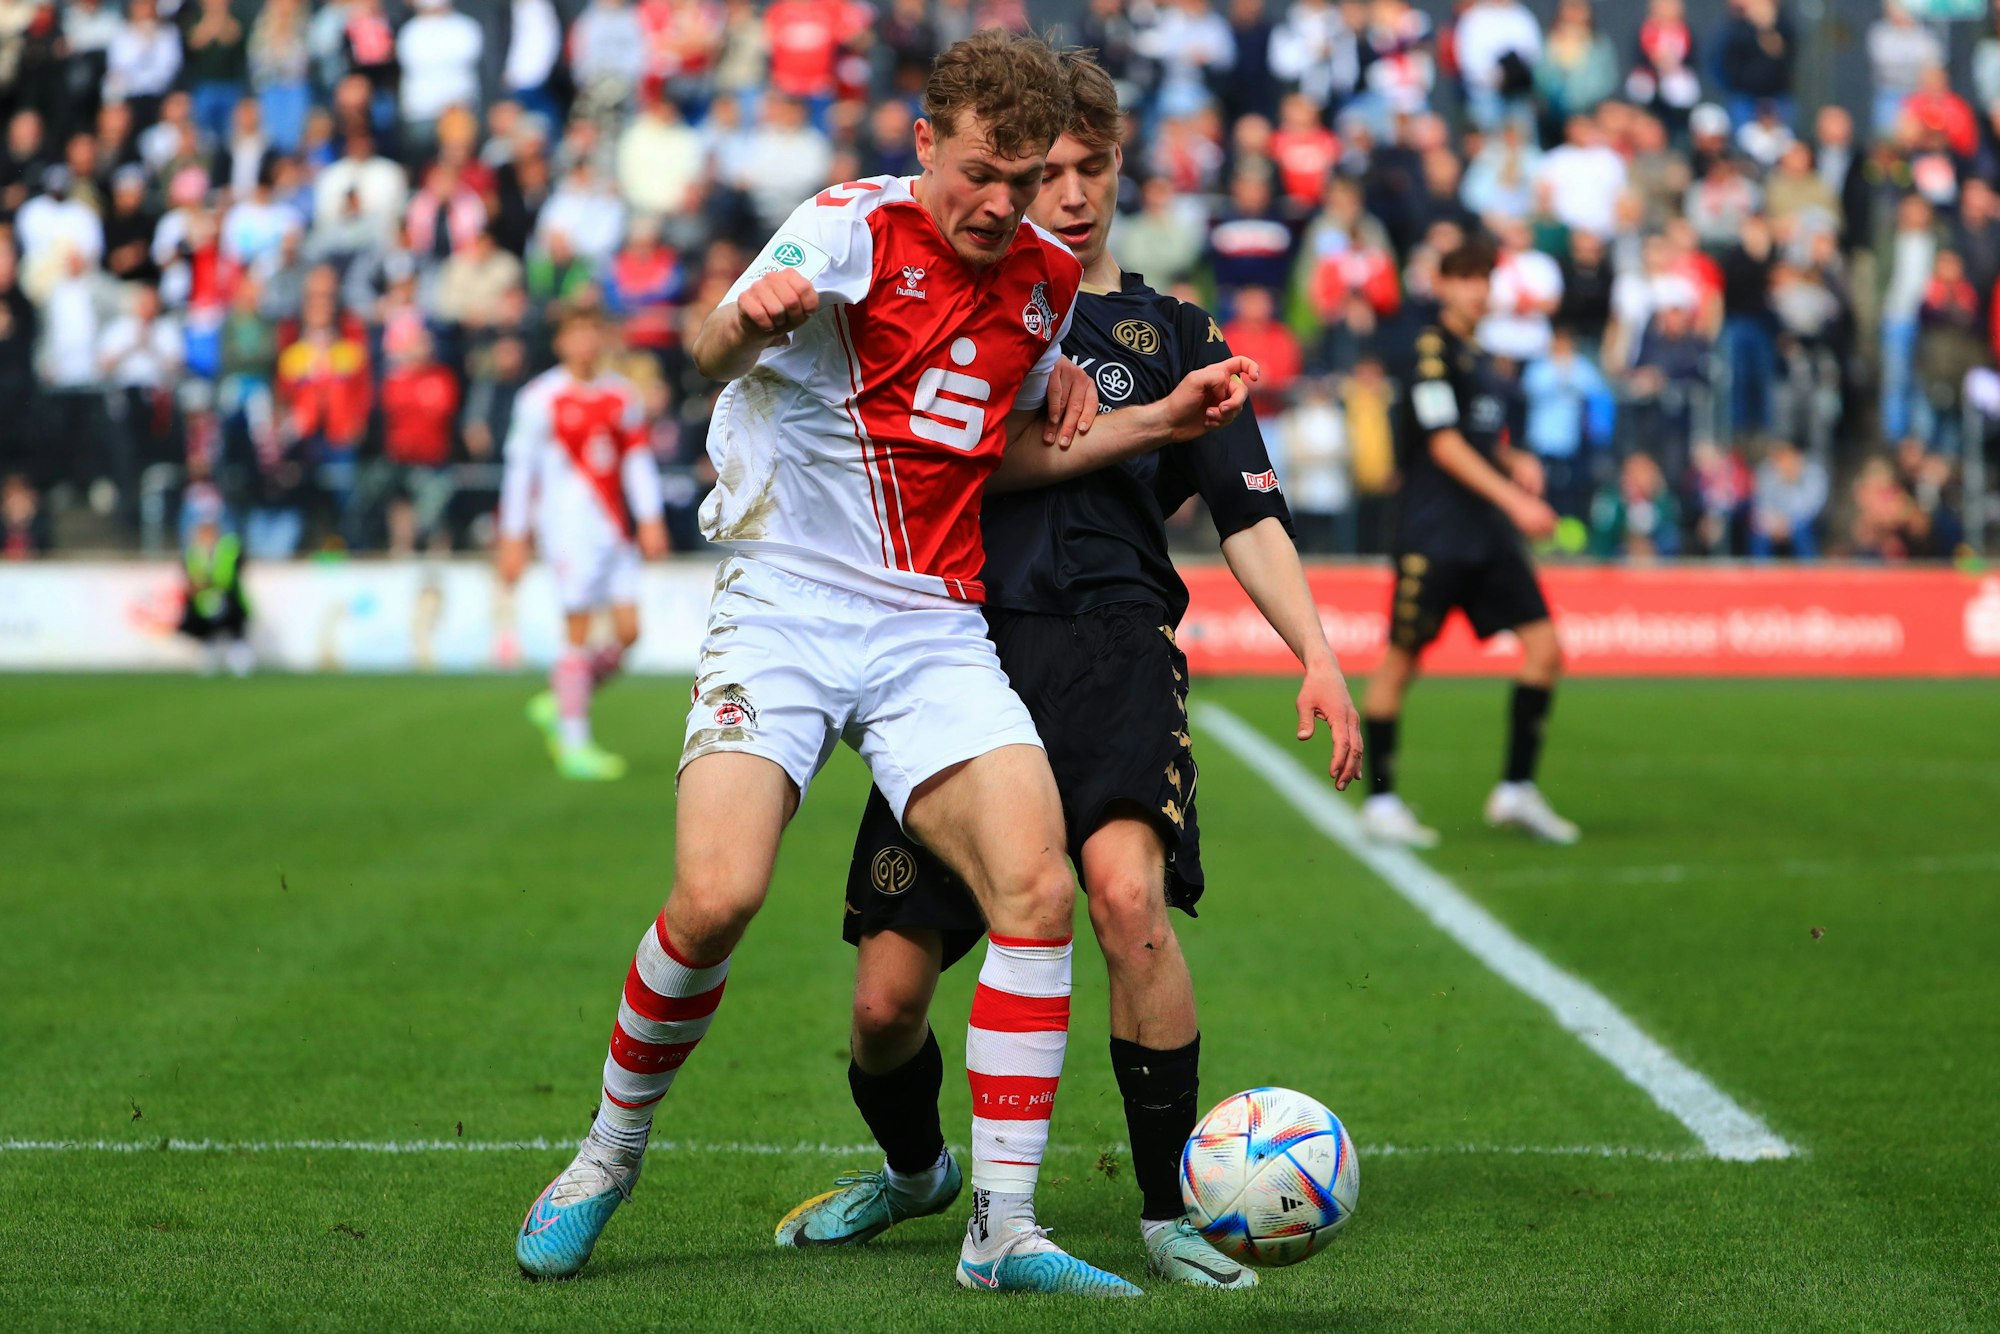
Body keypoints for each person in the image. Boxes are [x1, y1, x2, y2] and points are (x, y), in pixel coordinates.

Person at [512, 31, 1254, 1296]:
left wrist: (1146, 421)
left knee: (1037, 887)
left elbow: (995, 454)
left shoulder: (1043, 284)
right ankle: (605, 1153)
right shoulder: (844, 228)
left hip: (929, 621)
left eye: (1024, 179)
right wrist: (745, 323)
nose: (1004, 204)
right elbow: (702, 355)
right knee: (716, 899)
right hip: (786, 604)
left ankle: (1001, 1230)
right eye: (981, 172)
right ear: (924, 145)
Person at [768, 50, 1361, 1290]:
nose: (1075, 194)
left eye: (1095, 170)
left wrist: (1318, 654)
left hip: (1111, 647)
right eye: (1053, 172)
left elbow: (1246, 509)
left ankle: (1165, 1211)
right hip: (951, 644)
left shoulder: (1173, 331)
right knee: (883, 1006)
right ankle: (922, 1172)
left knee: (1125, 899)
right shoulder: (960, 305)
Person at [1360, 237, 1578, 848]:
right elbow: (1443, 443)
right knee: (1401, 663)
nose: (1478, 288)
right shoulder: (1431, 350)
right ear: (1445, 285)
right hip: (1436, 532)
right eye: (1466, 277)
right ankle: (1380, 802)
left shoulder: (1478, 354)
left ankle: (1516, 790)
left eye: (1486, 277)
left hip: (1485, 532)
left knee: (1546, 649)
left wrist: (1513, 459)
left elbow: (1474, 439)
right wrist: (1517, 500)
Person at [495, 304, 668, 780]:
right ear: (560, 341)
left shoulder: (620, 395)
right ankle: (573, 743)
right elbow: (519, 470)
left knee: (629, 633)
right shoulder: (539, 398)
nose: (586, 342)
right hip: (567, 528)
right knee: (577, 628)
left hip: (614, 529)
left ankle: (562, 697)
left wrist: (650, 518)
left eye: (593, 332)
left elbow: (636, 460)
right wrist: (513, 535)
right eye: (576, 333)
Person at [177, 493, 253, 676]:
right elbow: (190, 580)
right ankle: (208, 659)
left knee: (235, 629)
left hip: (229, 599)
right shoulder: (193, 553)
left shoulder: (230, 547)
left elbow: (231, 575)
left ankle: (239, 663)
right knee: (203, 629)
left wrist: (210, 584)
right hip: (204, 603)